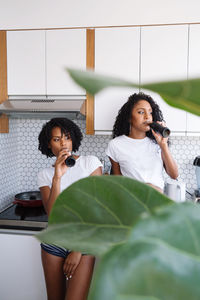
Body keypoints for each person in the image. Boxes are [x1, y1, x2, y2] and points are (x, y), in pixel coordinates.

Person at [37, 118, 102, 300]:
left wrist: (78, 249)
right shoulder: (45, 175)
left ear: (73, 139)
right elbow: (53, 215)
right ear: (49, 145)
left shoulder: (90, 163)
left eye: (66, 137)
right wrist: (57, 176)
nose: (63, 143)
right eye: (57, 139)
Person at [106, 92, 178, 192]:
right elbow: (119, 183)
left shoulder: (158, 143)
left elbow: (174, 175)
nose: (147, 117)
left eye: (150, 112)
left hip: (157, 203)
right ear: (129, 117)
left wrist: (163, 145)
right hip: (133, 202)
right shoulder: (115, 145)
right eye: (141, 112)